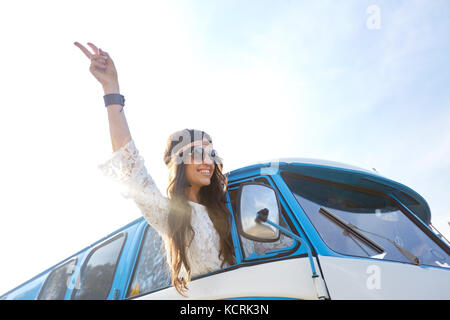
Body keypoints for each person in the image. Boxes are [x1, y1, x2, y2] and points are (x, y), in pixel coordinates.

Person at [74, 42, 236, 297]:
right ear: (179, 164)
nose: (208, 161)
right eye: (197, 153)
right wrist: (111, 90)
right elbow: (131, 168)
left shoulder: (230, 207)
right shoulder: (170, 216)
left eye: (211, 154)